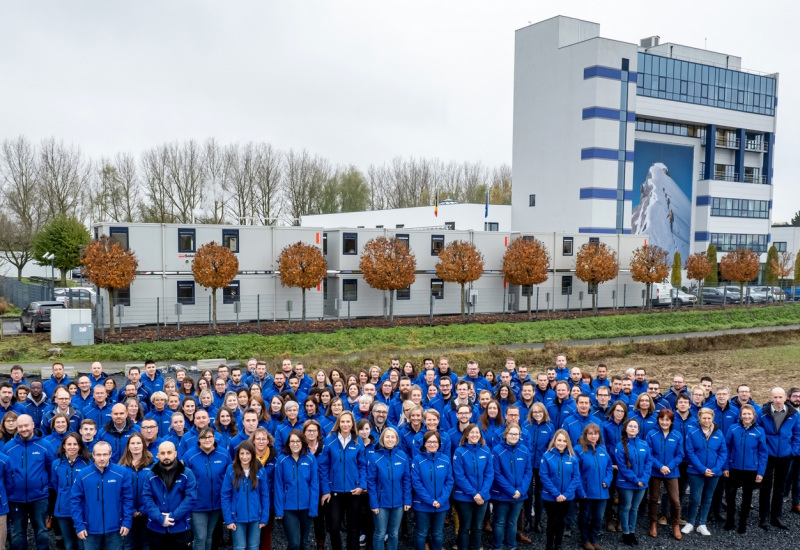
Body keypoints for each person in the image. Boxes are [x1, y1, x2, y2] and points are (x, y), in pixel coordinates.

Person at [3, 414, 54, 550]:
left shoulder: (45, 446)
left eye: (26, 425)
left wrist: (45, 487)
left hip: (39, 497)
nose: (24, 429)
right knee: (18, 533)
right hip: (16, 498)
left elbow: (51, 469)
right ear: (17, 428)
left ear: (33, 425)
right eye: (20, 426)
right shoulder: (8, 447)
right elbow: (4, 472)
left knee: (41, 531)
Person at [70, 441, 133, 550]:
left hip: (115, 527)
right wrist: (79, 525)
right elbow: (75, 501)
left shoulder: (121, 473)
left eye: (105, 454)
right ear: (93, 455)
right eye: (98, 455)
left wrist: (127, 522)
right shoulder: (83, 475)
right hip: (90, 528)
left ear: (110, 454)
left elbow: (128, 499)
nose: (102, 458)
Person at [319, 410, 366, 550]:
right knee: (334, 527)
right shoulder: (329, 441)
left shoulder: (358, 441)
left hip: (354, 491)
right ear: (338, 423)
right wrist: (326, 490)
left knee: (353, 527)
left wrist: (362, 486)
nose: (345, 424)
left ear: (352, 424)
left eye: (348, 421)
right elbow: (323, 467)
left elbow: (363, 465)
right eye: (343, 421)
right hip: (334, 491)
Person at [757, 387, 800, 531]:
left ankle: (776, 517)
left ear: (785, 398)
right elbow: (758, 432)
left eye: (780, 397)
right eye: (774, 397)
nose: (777, 400)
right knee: (766, 487)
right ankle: (763, 517)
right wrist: (763, 450)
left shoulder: (793, 414)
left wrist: (793, 451)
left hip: (785, 456)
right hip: (768, 455)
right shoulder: (762, 413)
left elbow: (797, 434)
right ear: (771, 397)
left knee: (780, 488)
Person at [142, 442, 198, 550]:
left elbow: (191, 498)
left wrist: (172, 517)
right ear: (157, 455)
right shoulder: (150, 475)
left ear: (175, 453)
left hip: (181, 527)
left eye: (169, 452)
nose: (166, 456)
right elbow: (147, 498)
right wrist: (160, 518)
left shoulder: (187, 473)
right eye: (162, 453)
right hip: (156, 528)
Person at [184, 427, 231, 550]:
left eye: (210, 437)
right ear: (199, 439)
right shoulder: (190, 455)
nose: (207, 440)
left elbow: (229, 476)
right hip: (197, 504)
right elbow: (184, 478)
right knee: (200, 537)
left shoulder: (224, 454)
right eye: (203, 437)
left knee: (209, 535)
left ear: (214, 438)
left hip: (216, 503)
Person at [682, 408, 727, 536]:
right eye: (704, 418)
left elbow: (723, 452)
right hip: (696, 471)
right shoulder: (692, 432)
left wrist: (716, 469)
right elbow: (690, 452)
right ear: (699, 419)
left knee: (708, 498)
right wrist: (702, 469)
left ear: (712, 418)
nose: (707, 421)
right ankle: (690, 522)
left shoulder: (719, 433)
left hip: (714, 472)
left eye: (709, 418)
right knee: (694, 498)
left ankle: (702, 524)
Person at [724, 404, 767, 534]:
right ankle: (730, 520)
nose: (747, 416)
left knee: (747, 497)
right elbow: (726, 448)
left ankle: (743, 522)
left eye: (749, 414)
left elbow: (763, 453)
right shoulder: (733, 428)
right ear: (740, 415)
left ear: (753, 416)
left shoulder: (760, 431)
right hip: (733, 468)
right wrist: (726, 466)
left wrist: (760, 472)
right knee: (730, 495)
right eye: (744, 414)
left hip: (751, 469)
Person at [490, 422, 533, 550]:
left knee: (512, 522)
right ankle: (497, 546)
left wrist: (521, 490)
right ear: (505, 434)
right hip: (501, 495)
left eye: (517, 434)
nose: (514, 436)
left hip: (519, 495)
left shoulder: (524, 450)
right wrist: (510, 491)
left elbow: (528, 471)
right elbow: (496, 474)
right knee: (499, 522)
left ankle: (511, 546)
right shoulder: (497, 450)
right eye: (511, 434)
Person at [221, 440, 270, 550]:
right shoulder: (231, 469)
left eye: (248, 453)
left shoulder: (260, 470)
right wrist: (228, 519)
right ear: (238, 455)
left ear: (252, 454)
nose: (245, 457)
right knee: (239, 547)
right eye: (242, 453)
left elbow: (264, 495)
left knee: (253, 546)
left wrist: (264, 518)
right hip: (237, 518)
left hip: (256, 517)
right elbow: (225, 495)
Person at [275, 430, 319, 550]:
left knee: (304, 543)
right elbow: (278, 485)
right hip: (288, 508)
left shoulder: (310, 459)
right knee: (294, 543)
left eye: (298, 441)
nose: (295, 444)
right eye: (292, 441)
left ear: (303, 442)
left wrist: (313, 507)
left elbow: (314, 484)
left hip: (306, 507)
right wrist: (279, 510)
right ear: (288, 443)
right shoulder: (282, 460)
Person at [368, 427, 411, 550]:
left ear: (397, 439)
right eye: (387, 437)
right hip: (381, 503)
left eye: (393, 437)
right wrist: (374, 503)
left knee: (394, 533)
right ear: (382, 439)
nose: (390, 439)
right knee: (380, 533)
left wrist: (407, 500)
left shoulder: (402, 456)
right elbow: (371, 482)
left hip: (398, 502)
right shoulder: (375, 457)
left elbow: (407, 479)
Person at [411, 431, 454, 550]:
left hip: (441, 504)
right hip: (422, 504)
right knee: (421, 533)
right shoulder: (417, 460)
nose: (432, 444)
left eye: (435, 441)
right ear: (424, 444)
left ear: (439, 444)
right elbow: (416, 483)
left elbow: (449, 481)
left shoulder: (445, 460)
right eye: (429, 441)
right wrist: (430, 500)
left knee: (438, 533)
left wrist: (441, 499)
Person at [645, 409, 684, 540]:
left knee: (675, 500)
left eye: (667, 420)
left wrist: (669, 466)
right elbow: (648, 454)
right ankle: (653, 522)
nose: (664, 422)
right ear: (658, 420)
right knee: (654, 499)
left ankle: (675, 524)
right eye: (662, 419)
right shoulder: (651, 434)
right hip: (655, 471)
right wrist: (660, 466)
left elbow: (680, 455)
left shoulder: (677, 435)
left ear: (671, 421)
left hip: (671, 471)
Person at [540, 429, 581, 550]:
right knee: (552, 521)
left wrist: (566, 494)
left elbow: (576, 477)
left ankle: (558, 544)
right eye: (559, 440)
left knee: (562, 521)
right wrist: (557, 494)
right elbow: (544, 476)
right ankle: (549, 545)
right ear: (554, 440)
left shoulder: (572, 457)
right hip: (550, 497)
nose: (561, 443)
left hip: (567, 497)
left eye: (564, 441)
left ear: (567, 442)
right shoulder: (547, 456)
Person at [575, 424, 613, 550]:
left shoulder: (603, 449)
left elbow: (609, 467)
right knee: (585, 515)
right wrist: (580, 490)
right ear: (585, 435)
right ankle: (585, 539)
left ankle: (594, 538)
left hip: (602, 491)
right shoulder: (578, 450)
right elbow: (576, 473)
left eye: (595, 433)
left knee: (598, 517)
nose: (593, 436)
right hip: (587, 491)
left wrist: (607, 481)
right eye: (590, 433)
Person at [51, 433, 92, 550]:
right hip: (63, 511)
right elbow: (56, 485)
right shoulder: (56, 464)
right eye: (69, 444)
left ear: (80, 446)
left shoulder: (87, 464)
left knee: (81, 544)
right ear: (63, 446)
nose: (72, 447)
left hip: (82, 511)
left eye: (75, 444)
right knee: (69, 544)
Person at [614, 419, 652, 546]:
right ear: (625, 428)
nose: (632, 428)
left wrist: (644, 479)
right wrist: (636, 480)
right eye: (630, 426)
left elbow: (649, 462)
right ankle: (625, 533)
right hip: (627, 483)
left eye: (635, 426)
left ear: (638, 430)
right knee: (626, 507)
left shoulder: (644, 444)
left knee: (635, 508)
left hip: (642, 483)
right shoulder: (620, 446)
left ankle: (632, 531)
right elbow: (623, 467)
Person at [119, 433, 155, 550]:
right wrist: (131, 510)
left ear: (143, 445)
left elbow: (156, 490)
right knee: (129, 545)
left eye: (138, 443)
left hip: (148, 512)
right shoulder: (121, 467)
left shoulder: (153, 466)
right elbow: (119, 493)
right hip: (128, 513)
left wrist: (144, 510)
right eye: (132, 443)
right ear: (128, 446)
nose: (136, 446)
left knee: (146, 544)